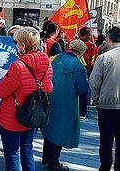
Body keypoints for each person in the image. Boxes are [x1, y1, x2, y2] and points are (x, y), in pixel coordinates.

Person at [0, 27, 53, 171]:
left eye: (16, 42)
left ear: (22, 45)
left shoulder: (18, 66)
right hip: (32, 115)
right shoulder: (47, 62)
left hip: (12, 117)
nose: (15, 45)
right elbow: (49, 88)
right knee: (27, 150)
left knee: (12, 154)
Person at [41, 39, 89, 171]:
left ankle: (46, 158)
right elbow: (82, 89)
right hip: (67, 102)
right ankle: (54, 161)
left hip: (50, 98)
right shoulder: (79, 67)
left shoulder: (56, 59)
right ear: (81, 52)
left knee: (49, 126)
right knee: (61, 129)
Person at [90, 26, 120, 171]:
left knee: (106, 142)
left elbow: (94, 82)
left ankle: (105, 167)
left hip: (107, 106)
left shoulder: (104, 58)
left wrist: (96, 99)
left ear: (108, 39)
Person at [78, 26, 98, 118]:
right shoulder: (92, 45)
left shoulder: (81, 44)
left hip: (82, 67)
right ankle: (84, 108)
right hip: (87, 67)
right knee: (85, 88)